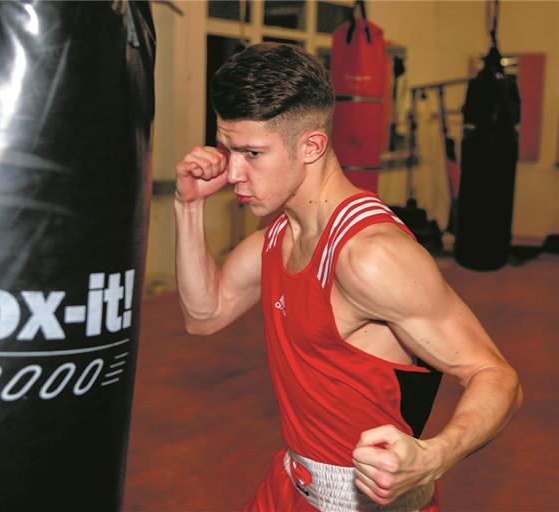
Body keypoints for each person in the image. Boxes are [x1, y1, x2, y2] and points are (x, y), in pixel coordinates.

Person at [174, 43, 522, 512]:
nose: (233, 172)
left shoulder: (369, 257)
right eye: (228, 148)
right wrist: (188, 206)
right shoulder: (278, 234)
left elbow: (497, 375)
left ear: (312, 146)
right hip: (289, 488)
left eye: (252, 153)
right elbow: (205, 313)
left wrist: (436, 454)